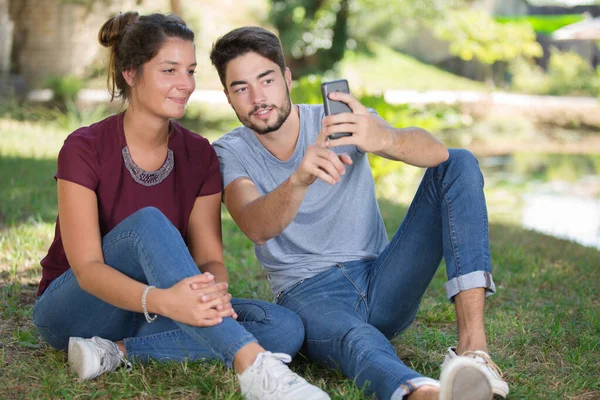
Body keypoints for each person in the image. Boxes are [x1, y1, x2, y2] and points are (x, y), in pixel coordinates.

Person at [32, 13, 330, 400]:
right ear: (131, 74)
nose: (185, 84)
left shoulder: (199, 155)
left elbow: (209, 258)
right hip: (76, 310)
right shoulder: (84, 148)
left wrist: (212, 291)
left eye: (190, 71)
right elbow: (87, 270)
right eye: (169, 70)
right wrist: (166, 300)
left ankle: (115, 352)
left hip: (156, 312)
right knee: (148, 224)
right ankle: (253, 366)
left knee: (283, 326)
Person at [209, 26, 510, 400]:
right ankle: (426, 394)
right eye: (241, 88)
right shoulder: (228, 152)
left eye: (266, 79)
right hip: (309, 294)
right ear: (228, 97)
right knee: (358, 339)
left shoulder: (342, 119)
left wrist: (385, 137)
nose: (257, 97)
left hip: (382, 277)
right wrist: (299, 179)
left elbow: (439, 155)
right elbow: (255, 225)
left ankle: (474, 353)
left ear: (287, 79)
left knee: (460, 163)